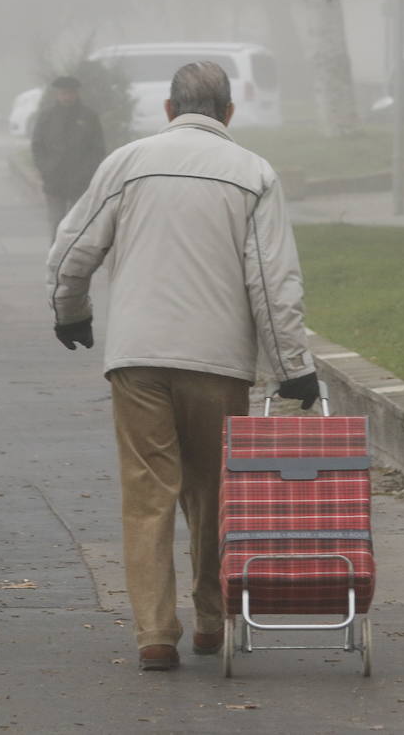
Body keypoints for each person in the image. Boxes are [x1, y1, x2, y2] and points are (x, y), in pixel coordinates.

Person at [45, 61, 319, 672]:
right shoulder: (254, 174)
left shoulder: (127, 163)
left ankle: (154, 634)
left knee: (148, 494)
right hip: (218, 364)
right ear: (228, 112)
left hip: (137, 360)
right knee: (212, 490)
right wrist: (293, 366)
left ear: (169, 110)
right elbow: (274, 282)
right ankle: (211, 620)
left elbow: (73, 245)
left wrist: (71, 312)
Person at [30, 76, 105, 236]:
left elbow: (98, 149)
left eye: (70, 93)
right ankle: (55, 259)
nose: (67, 96)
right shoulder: (46, 116)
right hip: (54, 179)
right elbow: (37, 145)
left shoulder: (89, 117)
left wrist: (89, 171)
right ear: (57, 94)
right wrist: (44, 168)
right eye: (63, 93)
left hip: (81, 180)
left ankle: (74, 259)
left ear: (76, 93)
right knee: (56, 222)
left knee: (77, 224)